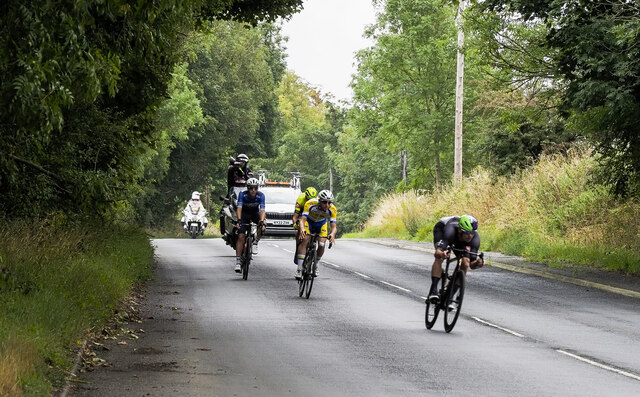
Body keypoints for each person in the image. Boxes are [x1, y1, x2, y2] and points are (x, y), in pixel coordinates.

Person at [427, 215, 484, 303]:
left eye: (472, 232)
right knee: (439, 257)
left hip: (460, 240)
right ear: (460, 230)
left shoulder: (475, 239)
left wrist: (478, 263)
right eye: (467, 233)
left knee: (465, 263)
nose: (470, 236)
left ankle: (450, 297)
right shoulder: (450, 231)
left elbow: (472, 265)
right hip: (442, 230)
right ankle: (433, 291)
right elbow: (437, 253)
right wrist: (442, 253)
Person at [295, 189, 337, 279]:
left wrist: (332, 234)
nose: (327, 205)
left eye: (329, 203)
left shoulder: (332, 209)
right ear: (319, 201)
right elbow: (302, 220)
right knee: (305, 239)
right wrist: (302, 229)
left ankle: (316, 265)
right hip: (308, 222)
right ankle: (299, 269)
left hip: (321, 224)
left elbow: (334, 226)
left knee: (322, 243)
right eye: (324, 202)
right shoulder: (310, 204)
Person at [234, 178, 266, 273]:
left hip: (255, 214)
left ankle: (255, 242)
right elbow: (239, 208)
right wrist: (239, 220)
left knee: (263, 225)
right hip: (244, 215)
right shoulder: (242, 195)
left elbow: (262, 210)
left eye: (255, 188)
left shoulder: (261, 196)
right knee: (241, 236)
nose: (253, 190)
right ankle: (238, 262)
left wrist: (261, 221)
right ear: (248, 188)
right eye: (251, 188)